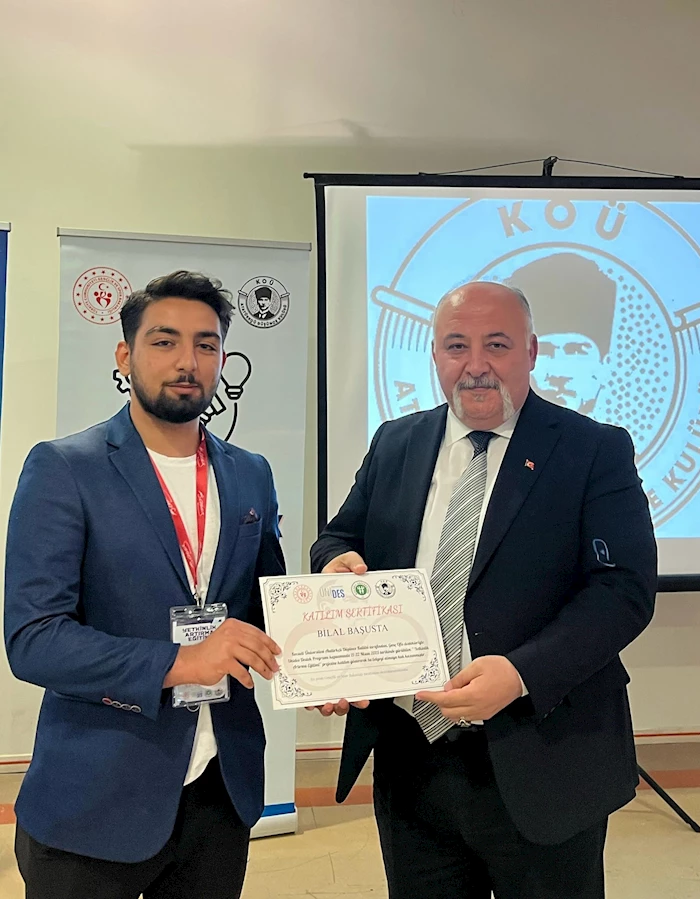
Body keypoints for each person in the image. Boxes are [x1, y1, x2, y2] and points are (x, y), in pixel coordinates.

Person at [309, 281, 657, 899]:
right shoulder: (396, 442)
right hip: (410, 759)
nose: (475, 365)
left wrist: (522, 674)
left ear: (531, 351)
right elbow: (338, 537)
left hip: (542, 753)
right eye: (456, 346)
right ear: (435, 356)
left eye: (496, 345)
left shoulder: (592, 449)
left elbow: (623, 590)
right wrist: (337, 566)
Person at [5, 271, 284, 899]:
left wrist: (329, 631)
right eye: (164, 342)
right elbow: (34, 639)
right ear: (125, 355)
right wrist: (181, 661)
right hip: (94, 800)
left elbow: (266, 604)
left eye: (207, 344)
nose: (188, 361)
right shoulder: (64, 468)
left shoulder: (250, 473)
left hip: (220, 790)